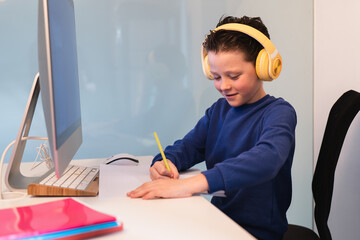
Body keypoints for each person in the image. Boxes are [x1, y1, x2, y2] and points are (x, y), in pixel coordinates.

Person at [127, 15, 297, 240]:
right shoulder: (219, 110)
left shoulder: (279, 112)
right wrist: (164, 161)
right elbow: (188, 147)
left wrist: (191, 184)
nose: (224, 86)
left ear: (263, 67)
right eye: (216, 77)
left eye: (234, 76)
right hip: (218, 220)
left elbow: (267, 159)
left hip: (257, 232)